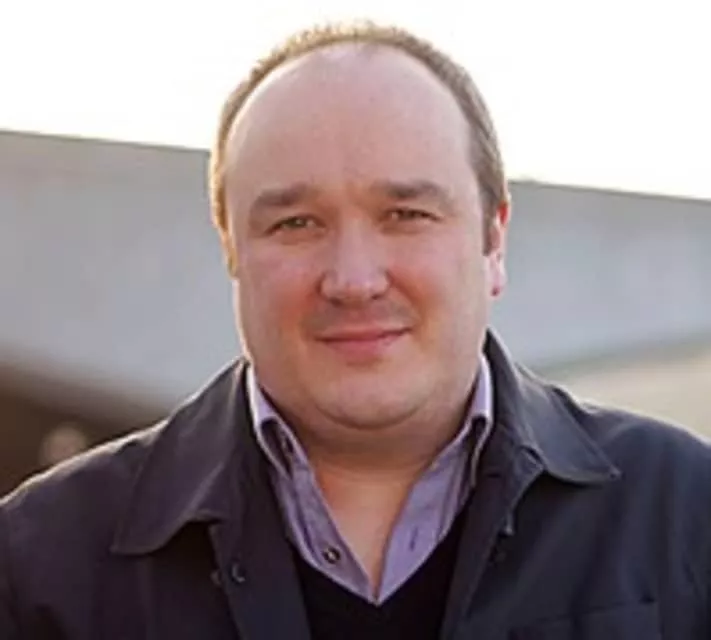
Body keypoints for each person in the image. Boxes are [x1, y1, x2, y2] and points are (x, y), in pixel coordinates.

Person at [1, 21, 709, 640]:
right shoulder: (39, 564)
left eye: (405, 215)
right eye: (295, 223)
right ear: (230, 248)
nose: (353, 279)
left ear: (493, 240)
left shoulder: (685, 514)